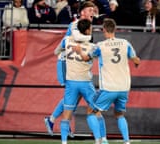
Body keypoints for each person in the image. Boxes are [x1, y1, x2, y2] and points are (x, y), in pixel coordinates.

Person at [44, 1, 109, 144]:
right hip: (69, 67)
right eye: (90, 10)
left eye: (93, 10)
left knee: (73, 99)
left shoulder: (87, 26)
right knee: (80, 103)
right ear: (82, 13)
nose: (93, 12)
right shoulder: (76, 26)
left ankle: (52, 120)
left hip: (76, 67)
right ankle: (102, 139)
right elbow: (77, 41)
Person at [73, 18, 141, 144]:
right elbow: (136, 60)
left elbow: (85, 58)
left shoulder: (100, 46)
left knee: (91, 111)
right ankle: (126, 141)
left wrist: (79, 51)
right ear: (115, 29)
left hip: (109, 87)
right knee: (119, 114)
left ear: (104, 30)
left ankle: (99, 140)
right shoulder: (125, 43)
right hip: (124, 87)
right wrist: (136, 63)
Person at [59, 18, 103, 144]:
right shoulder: (93, 46)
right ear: (88, 30)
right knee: (96, 111)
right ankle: (99, 140)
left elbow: (59, 50)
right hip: (85, 82)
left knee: (66, 114)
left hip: (71, 82)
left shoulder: (67, 41)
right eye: (91, 28)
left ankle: (64, 142)